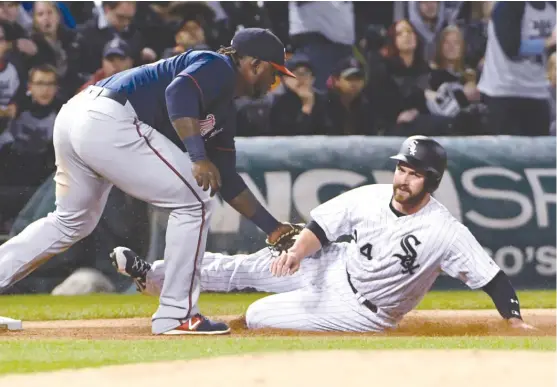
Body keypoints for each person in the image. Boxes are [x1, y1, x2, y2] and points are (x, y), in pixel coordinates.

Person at [0, 27, 297, 336]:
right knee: (195, 202)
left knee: (71, 222)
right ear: (254, 64)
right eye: (275, 73)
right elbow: (178, 92)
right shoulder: (217, 65)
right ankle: (177, 314)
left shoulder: (222, 108)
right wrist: (197, 156)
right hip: (109, 118)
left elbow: (227, 179)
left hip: (79, 115)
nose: (275, 83)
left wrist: (273, 228)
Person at [110, 135, 536, 333]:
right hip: (336, 268)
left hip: (367, 312)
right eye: (401, 169)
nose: (403, 179)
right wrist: (297, 253)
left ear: (433, 181)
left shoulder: (445, 232)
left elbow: (494, 280)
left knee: (258, 315)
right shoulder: (371, 196)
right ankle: (155, 277)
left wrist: (514, 321)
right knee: (248, 267)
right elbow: (321, 227)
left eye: (414, 174)